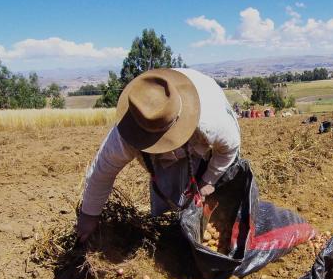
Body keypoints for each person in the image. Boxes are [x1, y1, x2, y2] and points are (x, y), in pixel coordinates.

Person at [76, 68, 241, 243]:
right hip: (165, 146)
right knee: (168, 187)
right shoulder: (125, 133)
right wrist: (89, 215)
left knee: (218, 188)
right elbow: (101, 173)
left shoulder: (211, 120)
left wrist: (209, 180)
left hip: (204, 133)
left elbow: (229, 148)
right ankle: (174, 231)